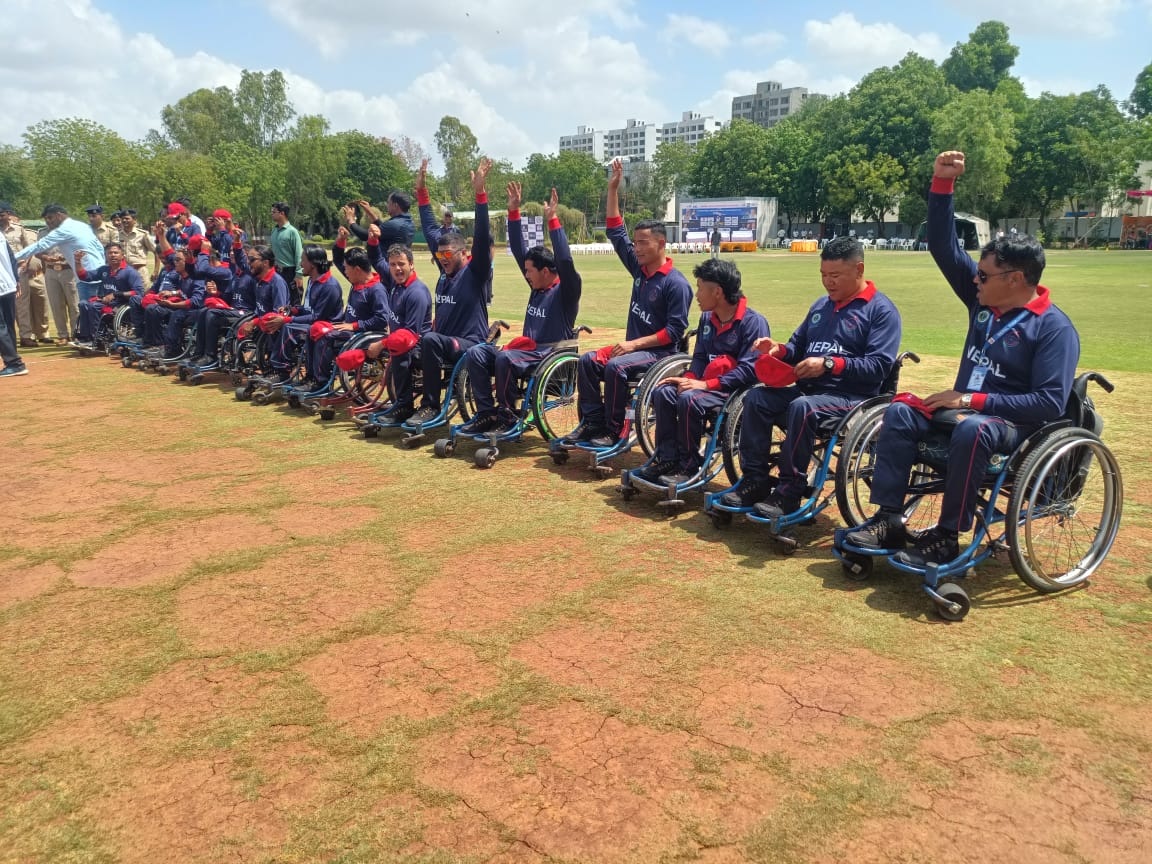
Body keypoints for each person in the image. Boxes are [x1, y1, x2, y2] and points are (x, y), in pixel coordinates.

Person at [845, 150, 1080, 567]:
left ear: (1015, 280)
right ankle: (888, 519)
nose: (975, 279)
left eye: (984, 275)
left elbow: (1049, 403)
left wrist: (971, 401)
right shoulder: (983, 304)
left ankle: (948, 535)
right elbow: (942, 246)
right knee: (899, 413)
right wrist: (942, 185)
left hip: (1009, 424)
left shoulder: (1053, 329)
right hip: (963, 409)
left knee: (975, 430)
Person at [722, 237, 902, 515]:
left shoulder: (881, 311)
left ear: (859, 269)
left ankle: (789, 492)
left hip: (852, 397)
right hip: (810, 392)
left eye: (835, 276)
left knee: (802, 407)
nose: (828, 282)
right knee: (757, 397)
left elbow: (878, 366)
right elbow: (797, 347)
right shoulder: (821, 306)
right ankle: (755, 480)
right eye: (823, 275)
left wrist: (829, 364)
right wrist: (779, 350)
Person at [572, 158, 692, 448]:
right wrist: (613, 189)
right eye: (635, 243)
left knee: (616, 367)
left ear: (661, 244)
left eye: (643, 243)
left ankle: (614, 432)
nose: (636, 248)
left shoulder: (676, 284)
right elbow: (615, 231)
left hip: (661, 355)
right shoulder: (640, 270)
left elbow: (674, 333)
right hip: (633, 351)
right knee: (587, 361)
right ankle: (591, 422)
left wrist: (633, 345)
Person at [462, 183, 582, 433]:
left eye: (529, 271)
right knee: (477, 353)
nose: (525, 275)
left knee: (506, 357)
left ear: (547, 271)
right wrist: (513, 211)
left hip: (548, 355)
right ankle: (486, 413)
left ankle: (507, 415)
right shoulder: (536, 286)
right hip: (526, 352)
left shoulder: (566, 291)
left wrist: (553, 221)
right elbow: (518, 249)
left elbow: (566, 260)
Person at [640, 258, 769, 484]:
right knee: (664, 392)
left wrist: (706, 385)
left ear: (717, 292)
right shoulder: (706, 318)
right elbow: (699, 356)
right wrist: (688, 378)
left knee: (690, 399)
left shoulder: (753, 323)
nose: (696, 294)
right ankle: (667, 458)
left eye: (700, 287)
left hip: (733, 393)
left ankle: (689, 466)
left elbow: (750, 370)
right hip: (705, 386)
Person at [405, 158, 493, 426]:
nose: (442, 258)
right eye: (439, 254)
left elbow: (482, 232)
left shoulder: (474, 272)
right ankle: (401, 405)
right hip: (444, 344)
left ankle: (430, 407)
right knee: (405, 347)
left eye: (447, 254)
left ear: (464, 254)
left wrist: (480, 194)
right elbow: (430, 227)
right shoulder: (445, 274)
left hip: (469, 343)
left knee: (430, 340)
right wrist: (421, 191)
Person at [360, 239, 433, 422]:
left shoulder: (416, 292)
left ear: (411, 264)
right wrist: (373, 239)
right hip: (398, 339)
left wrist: (383, 343)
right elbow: (376, 258)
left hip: (417, 345)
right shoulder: (396, 283)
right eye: (393, 265)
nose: (397, 268)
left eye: (401, 264)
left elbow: (410, 334)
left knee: (400, 353)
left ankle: (404, 406)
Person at [15, 204, 105, 343]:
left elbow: (39, 246)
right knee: (96, 309)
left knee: (88, 310)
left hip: (87, 276)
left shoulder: (64, 230)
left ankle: (93, 340)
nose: (48, 222)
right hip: (97, 272)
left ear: (59, 215)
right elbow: (98, 247)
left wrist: (11, 258)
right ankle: (95, 339)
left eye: (50, 218)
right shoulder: (81, 225)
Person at [260, 245, 340, 384]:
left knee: (288, 328)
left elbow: (317, 317)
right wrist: (292, 310)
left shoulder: (329, 285)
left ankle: (282, 371)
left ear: (313, 264)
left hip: (326, 326)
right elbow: (308, 309)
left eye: (303, 260)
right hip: (312, 322)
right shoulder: (312, 281)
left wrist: (287, 320)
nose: (300, 264)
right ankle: (275, 367)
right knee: (274, 322)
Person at [72, 242, 145, 348]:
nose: (113, 255)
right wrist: (78, 261)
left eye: (116, 252)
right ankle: (85, 337)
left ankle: (97, 338)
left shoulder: (130, 272)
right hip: (104, 302)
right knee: (83, 304)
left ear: (122, 255)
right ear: (106, 256)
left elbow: (138, 292)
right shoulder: (104, 270)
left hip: (119, 304)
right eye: (110, 253)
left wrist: (116, 294)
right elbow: (84, 276)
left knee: (94, 306)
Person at [0, 202, 49, 347]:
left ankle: (31, 335)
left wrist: (26, 263)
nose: (0, 218)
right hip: (4, 271)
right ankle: (25, 336)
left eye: (2, 215)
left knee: (28, 302)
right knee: (20, 305)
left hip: (21, 269)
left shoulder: (19, 230)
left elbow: (29, 248)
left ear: (8, 215)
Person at [342, 193, 415, 248]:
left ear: (395, 205)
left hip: (390, 265)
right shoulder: (406, 221)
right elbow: (384, 229)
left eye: (389, 203)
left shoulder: (395, 224)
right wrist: (370, 212)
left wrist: (351, 220)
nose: (387, 205)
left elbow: (365, 236)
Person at [0, 236, 28, 378]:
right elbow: (11, 258)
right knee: (8, 325)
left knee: (1, 327)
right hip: (8, 284)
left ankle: (14, 363)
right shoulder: (1, 235)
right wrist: (16, 280)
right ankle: (12, 358)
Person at [270, 202, 304, 305]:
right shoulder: (274, 231)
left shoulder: (292, 232)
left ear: (282, 213)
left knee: (293, 302)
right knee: (279, 300)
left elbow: (299, 254)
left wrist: (299, 274)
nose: (271, 214)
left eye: (274, 212)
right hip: (276, 271)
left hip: (290, 272)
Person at [116, 209, 156, 281]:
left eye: (127, 218)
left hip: (139, 271)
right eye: (122, 219)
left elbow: (156, 252)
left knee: (142, 292)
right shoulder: (117, 235)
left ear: (134, 220)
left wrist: (155, 271)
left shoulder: (143, 234)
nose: (124, 220)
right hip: (122, 272)